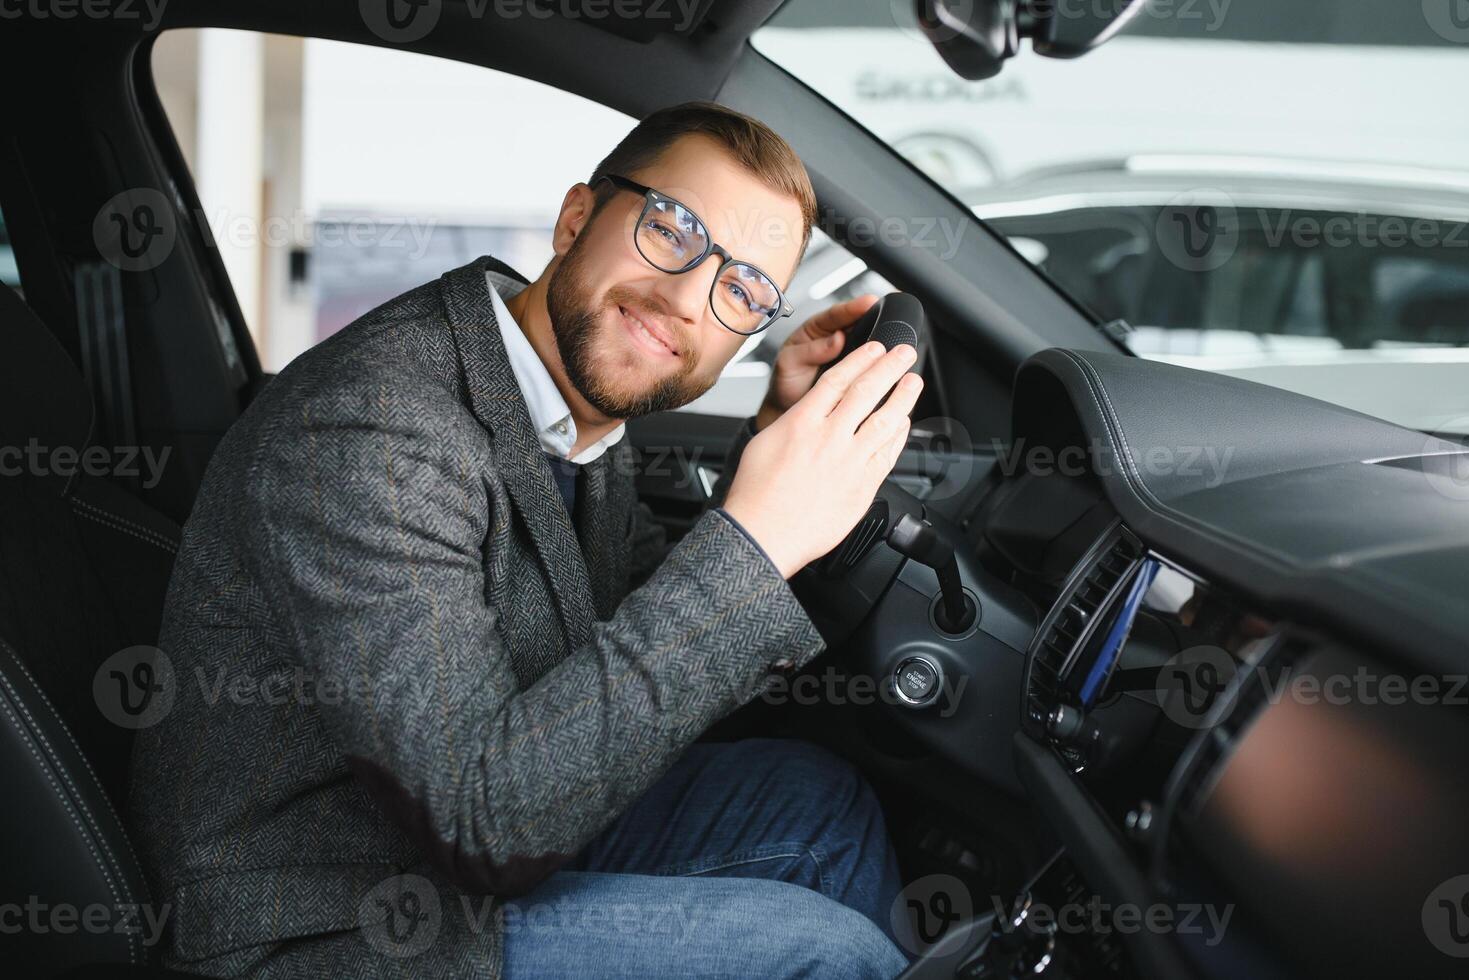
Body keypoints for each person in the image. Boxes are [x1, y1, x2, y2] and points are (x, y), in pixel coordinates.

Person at [129, 101, 922, 978]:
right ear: (577, 217)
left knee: (817, 801)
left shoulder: (568, 397)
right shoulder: (376, 427)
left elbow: (623, 622)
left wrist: (772, 444)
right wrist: (762, 538)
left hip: (464, 842)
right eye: (673, 229)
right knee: (826, 958)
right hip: (326, 916)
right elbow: (482, 819)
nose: (686, 300)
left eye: (740, 291)